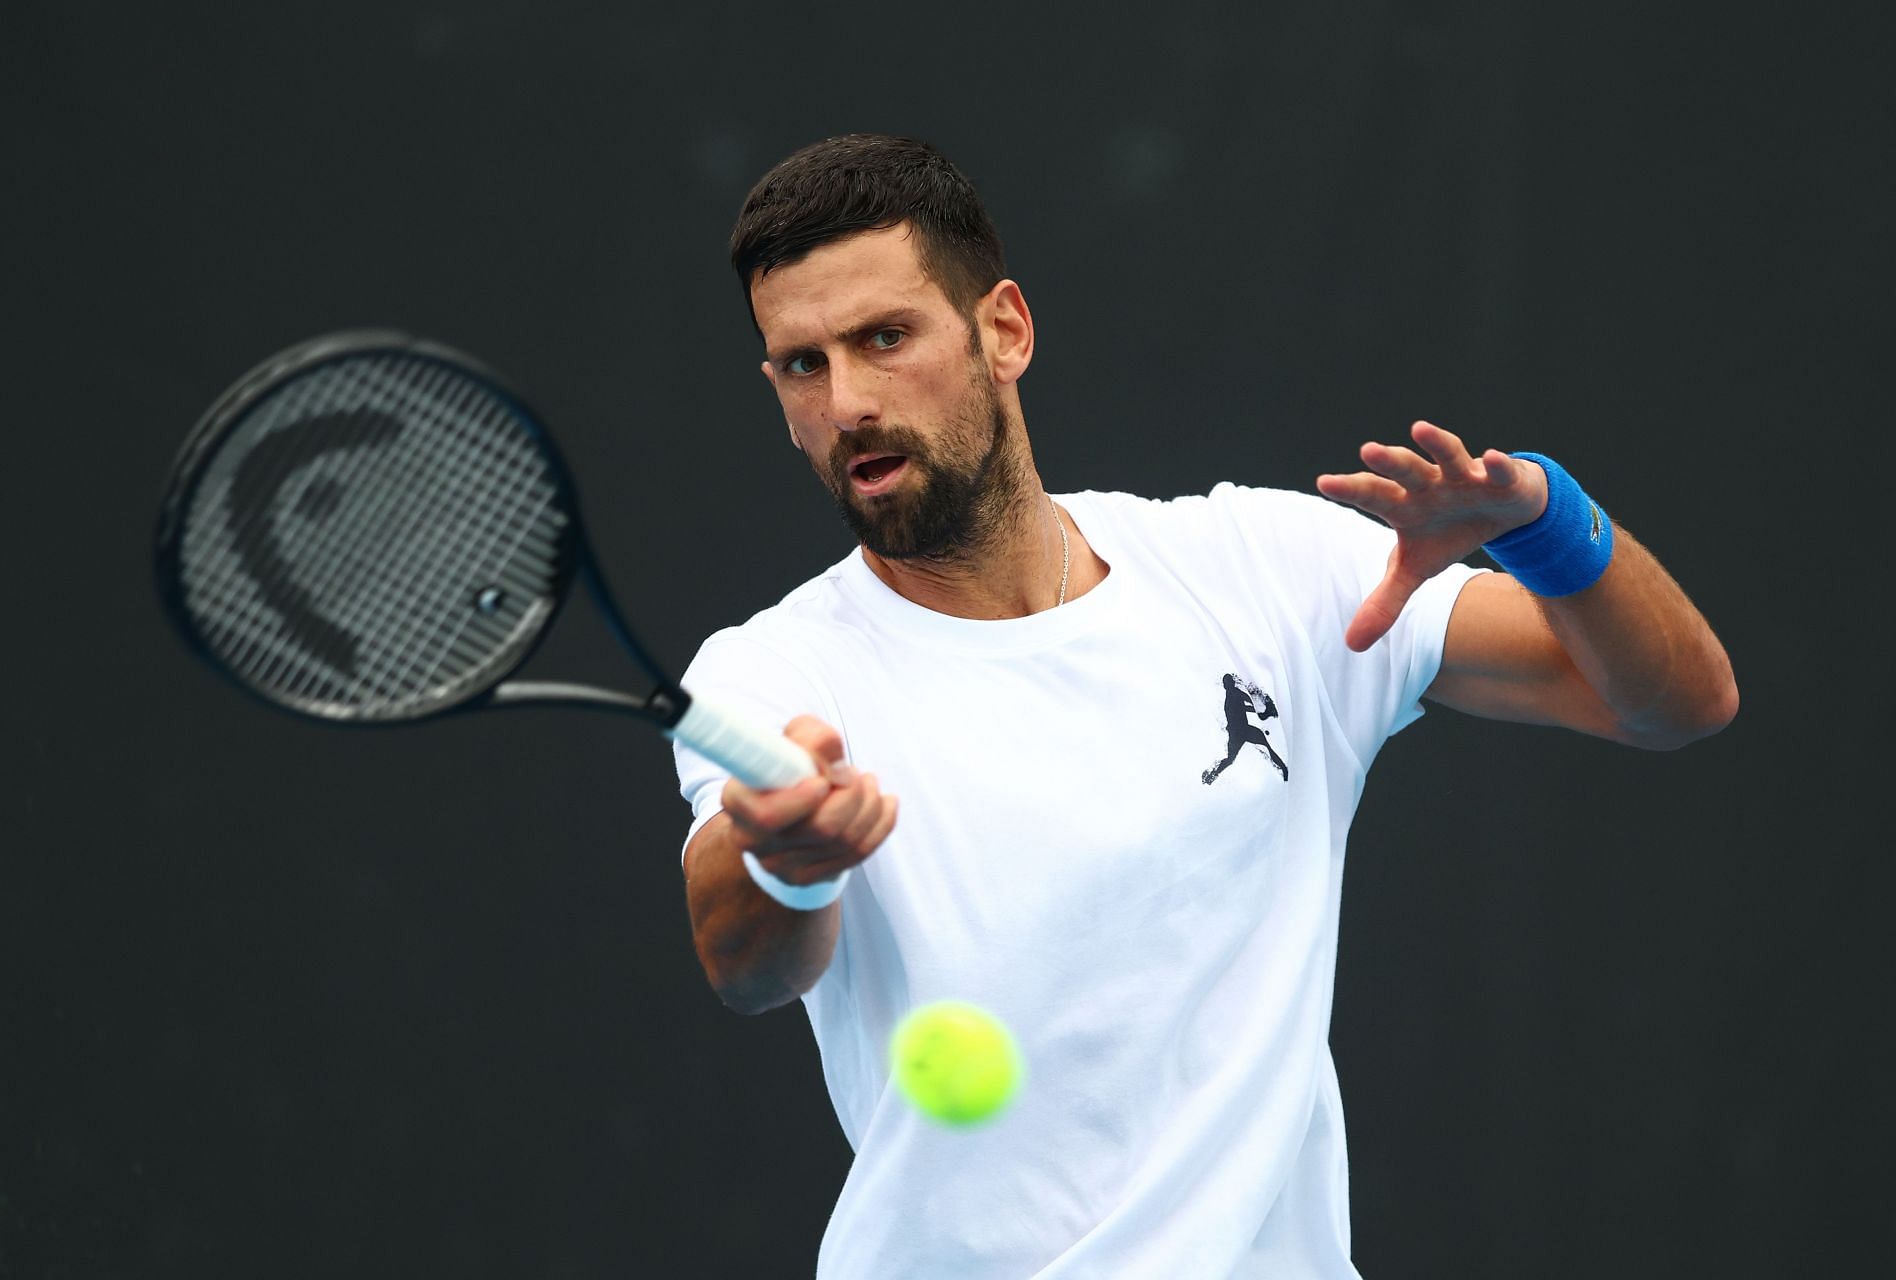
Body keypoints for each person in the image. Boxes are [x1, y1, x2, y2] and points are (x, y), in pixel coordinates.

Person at [671, 134, 1736, 1278]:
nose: (849, 402)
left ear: (1004, 331)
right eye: (801, 365)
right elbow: (747, 964)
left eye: (886, 338)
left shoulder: (1263, 568)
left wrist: (1543, 519)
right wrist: (788, 859)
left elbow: (1675, 701)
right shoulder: (773, 674)